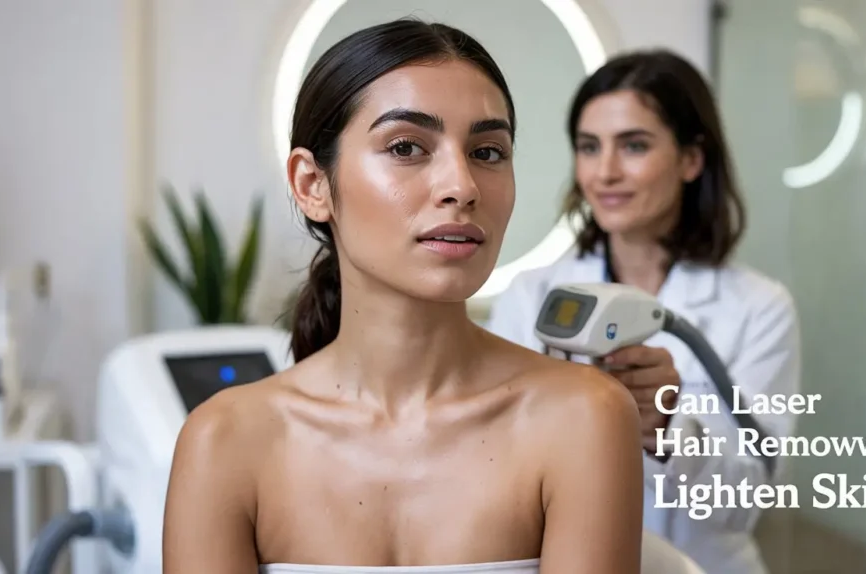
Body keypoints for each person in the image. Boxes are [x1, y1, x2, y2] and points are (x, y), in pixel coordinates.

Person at [161, 19, 646, 574]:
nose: (461, 187)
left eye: (488, 152)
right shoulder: (224, 442)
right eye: (407, 147)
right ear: (312, 184)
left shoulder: (584, 417)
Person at [485, 50, 801, 574]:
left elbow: (747, 504)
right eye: (589, 147)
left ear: (691, 160)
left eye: (634, 145)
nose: (605, 171)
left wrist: (665, 425)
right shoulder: (531, 295)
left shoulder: (759, 308)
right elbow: (493, 462)